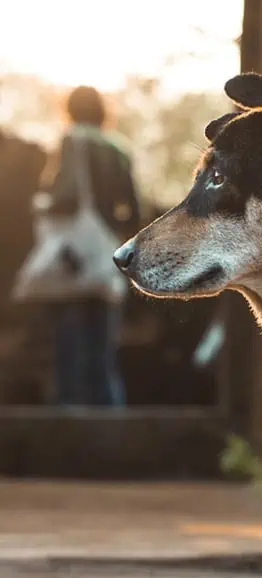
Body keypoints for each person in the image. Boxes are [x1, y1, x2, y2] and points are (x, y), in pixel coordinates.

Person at [39, 86, 140, 406]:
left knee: (69, 351)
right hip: (107, 255)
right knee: (103, 355)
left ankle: (68, 423)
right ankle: (112, 422)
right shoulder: (118, 149)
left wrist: (43, 207)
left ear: (69, 110)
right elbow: (134, 211)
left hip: (74, 258)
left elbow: (64, 196)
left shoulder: (71, 141)